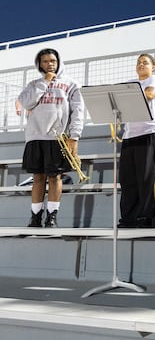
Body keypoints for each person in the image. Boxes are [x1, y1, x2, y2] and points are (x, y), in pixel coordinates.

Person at [18, 48, 84, 228]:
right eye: (45, 61)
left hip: (57, 138)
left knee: (55, 178)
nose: (50, 64)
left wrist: (74, 136)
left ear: (58, 62)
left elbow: (78, 112)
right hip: (35, 137)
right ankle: (35, 217)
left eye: (53, 61)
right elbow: (25, 102)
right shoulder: (34, 84)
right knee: (38, 178)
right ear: (39, 64)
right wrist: (44, 83)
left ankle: (52, 216)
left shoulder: (71, 84)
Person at [117, 53, 155, 228]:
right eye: (138, 62)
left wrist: (127, 98)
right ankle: (128, 218)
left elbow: (150, 94)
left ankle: (147, 218)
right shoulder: (131, 84)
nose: (141, 65)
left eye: (145, 62)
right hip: (130, 135)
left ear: (153, 66)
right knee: (127, 179)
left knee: (148, 178)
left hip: (150, 132)